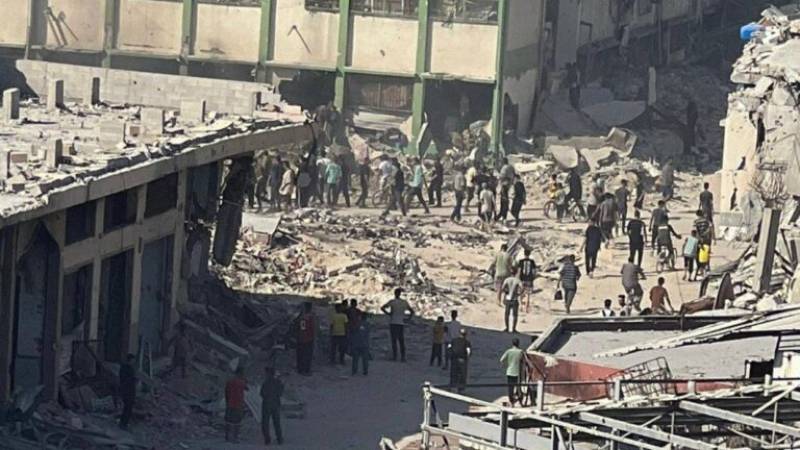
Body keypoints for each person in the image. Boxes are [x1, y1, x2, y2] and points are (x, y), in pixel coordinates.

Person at [381, 288, 415, 362]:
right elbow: (412, 311)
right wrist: (408, 319)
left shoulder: (392, 302)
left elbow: (382, 308)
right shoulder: (404, 302)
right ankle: (403, 357)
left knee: (394, 340)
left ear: (395, 293)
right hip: (401, 323)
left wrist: (389, 314)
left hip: (393, 322)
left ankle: (395, 356)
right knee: (401, 340)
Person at [260, 367, 284, 446]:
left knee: (265, 422)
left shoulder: (266, 383)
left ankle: (267, 438)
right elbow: (281, 392)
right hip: (276, 404)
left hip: (266, 404)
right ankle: (279, 438)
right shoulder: (278, 382)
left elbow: (262, 393)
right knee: (277, 422)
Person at [224, 367, 247, 443]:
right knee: (237, 422)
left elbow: (226, 393)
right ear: (240, 374)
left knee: (228, 421)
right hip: (238, 405)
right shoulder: (242, 383)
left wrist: (227, 402)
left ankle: (227, 437)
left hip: (230, 404)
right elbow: (247, 389)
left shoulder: (229, 382)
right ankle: (235, 438)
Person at [500, 338, 524, 406]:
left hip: (509, 371)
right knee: (518, 387)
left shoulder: (508, 351)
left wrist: (505, 365)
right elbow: (523, 361)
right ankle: (520, 401)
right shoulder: (520, 352)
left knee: (510, 388)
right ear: (518, 344)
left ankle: (511, 401)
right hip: (517, 372)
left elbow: (501, 360)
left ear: (512, 343)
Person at [296, 302, 316, 375]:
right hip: (307, 339)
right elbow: (306, 328)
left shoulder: (303, 317)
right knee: (307, 355)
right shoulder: (308, 318)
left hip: (302, 338)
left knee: (301, 355)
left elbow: (302, 328)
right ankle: (305, 370)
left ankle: (301, 369)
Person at [449, 329, 471, 393]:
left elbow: (449, 348)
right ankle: (461, 388)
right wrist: (467, 358)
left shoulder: (453, 340)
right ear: (465, 335)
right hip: (462, 360)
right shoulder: (466, 342)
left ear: (459, 333)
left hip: (454, 359)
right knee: (462, 374)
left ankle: (453, 386)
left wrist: (450, 356)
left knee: (453, 373)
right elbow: (468, 351)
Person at [118, 354, 137, 429]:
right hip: (126, 391)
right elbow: (124, 379)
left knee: (128, 408)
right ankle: (123, 424)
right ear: (130, 360)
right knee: (127, 408)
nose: (133, 362)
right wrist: (133, 379)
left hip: (130, 391)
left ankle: (124, 423)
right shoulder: (124, 368)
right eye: (133, 360)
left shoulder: (131, 368)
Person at [497, 158, 515, 222]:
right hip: (509, 185)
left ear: (503, 162)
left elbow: (502, 176)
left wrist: (498, 178)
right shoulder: (511, 167)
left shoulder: (504, 168)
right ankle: (502, 215)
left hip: (504, 184)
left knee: (504, 200)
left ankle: (503, 215)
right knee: (505, 200)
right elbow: (514, 175)